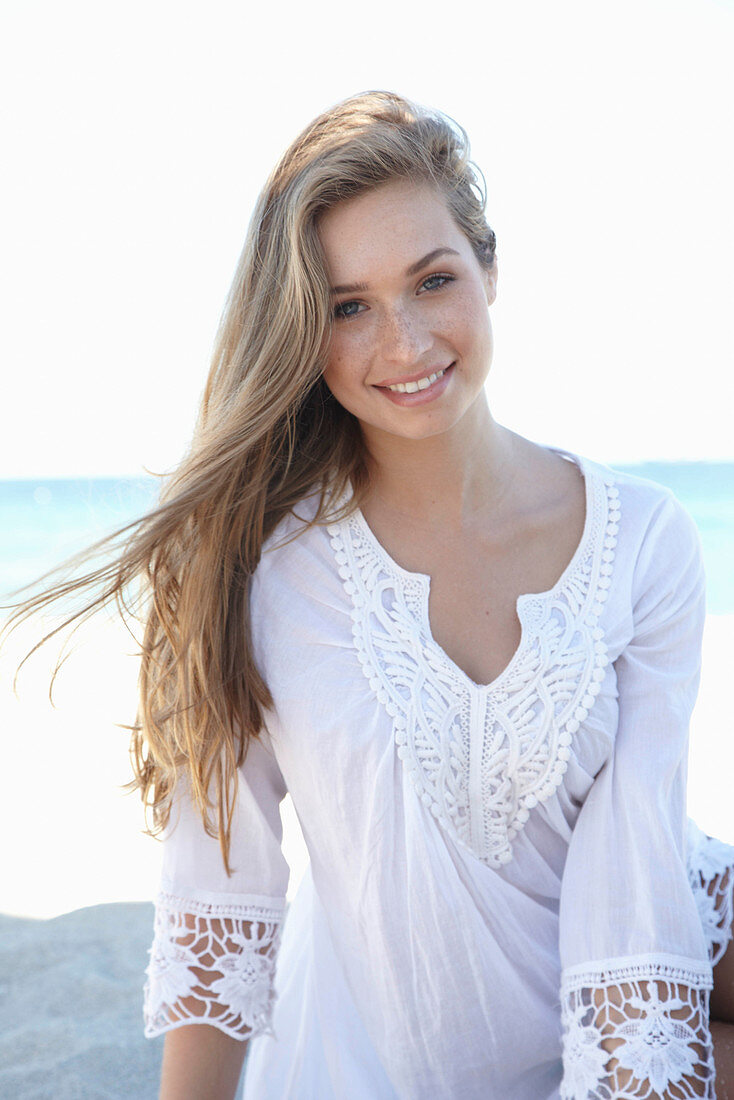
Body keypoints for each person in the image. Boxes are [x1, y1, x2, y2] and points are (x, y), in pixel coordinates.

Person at [6, 91, 734, 1098]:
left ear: (488, 268)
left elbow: (631, 874)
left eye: (431, 280)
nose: (402, 341)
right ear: (302, 329)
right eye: (347, 305)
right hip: (391, 1037)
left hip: (653, 908)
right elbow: (222, 893)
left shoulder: (642, 534)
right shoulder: (257, 562)